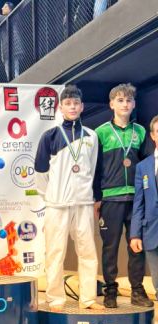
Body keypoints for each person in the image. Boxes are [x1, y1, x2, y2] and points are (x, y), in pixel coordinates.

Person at [35, 85, 104, 311]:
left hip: (83, 202)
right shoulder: (50, 136)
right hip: (57, 204)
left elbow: (94, 169)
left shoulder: (92, 136)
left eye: (76, 103)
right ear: (60, 107)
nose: (72, 107)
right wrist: (51, 195)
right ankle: (55, 299)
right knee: (55, 252)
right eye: (68, 103)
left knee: (87, 252)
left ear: (82, 107)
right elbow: (40, 172)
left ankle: (88, 299)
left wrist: (93, 197)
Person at [94, 83, 153, 308]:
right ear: (111, 104)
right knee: (110, 247)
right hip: (110, 198)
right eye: (120, 100)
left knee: (136, 245)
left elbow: (147, 164)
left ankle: (137, 290)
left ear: (134, 104)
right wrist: (97, 197)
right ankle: (110, 291)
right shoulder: (101, 133)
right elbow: (95, 168)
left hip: (136, 199)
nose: (125, 104)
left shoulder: (140, 132)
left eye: (128, 100)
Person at [130, 115, 158, 303]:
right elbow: (138, 203)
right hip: (152, 232)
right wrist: (135, 234)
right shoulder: (143, 166)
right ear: (153, 136)